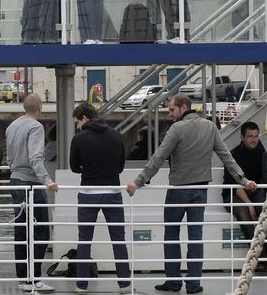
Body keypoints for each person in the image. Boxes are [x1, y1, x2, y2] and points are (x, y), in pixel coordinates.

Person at [126, 94, 257, 294]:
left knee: (171, 235)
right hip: (200, 191)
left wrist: (138, 181)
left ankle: (174, 281)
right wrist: (243, 179)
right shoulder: (210, 127)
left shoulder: (176, 129)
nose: (169, 114)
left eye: (171, 110)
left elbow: (159, 157)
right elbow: (226, 156)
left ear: (183, 107)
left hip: (178, 190)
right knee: (196, 237)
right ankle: (194, 284)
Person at [70, 102, 131, 294]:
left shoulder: (79, 139)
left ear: (85, 118)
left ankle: (81, 285)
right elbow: (120, 167)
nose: (77, 126)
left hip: (88, 194)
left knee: (84, 240)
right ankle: (125, 284)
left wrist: (88, 169)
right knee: (118, 239)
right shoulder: (116, 136)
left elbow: (74, 167)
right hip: (113, 192)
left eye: (77, 122)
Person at [5, 93, 58, 293]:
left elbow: (9, 157)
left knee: (22, 231)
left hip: (15, 180)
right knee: (42, 230)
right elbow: (36, 158)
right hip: (30, 184)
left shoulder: (12, 126)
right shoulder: (35, 127)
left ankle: (23, 278)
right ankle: (34, 279)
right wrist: (48, 181)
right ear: (40, 107)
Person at [223, 122, 267, 245]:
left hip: (254, 192)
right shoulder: (233, 155)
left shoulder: (261, 153)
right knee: (244, 214)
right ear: (242, 137)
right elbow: (235, 184)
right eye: (250, 136)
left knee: (264, 212)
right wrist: (249, 204)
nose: (254, 140)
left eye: (256, 136)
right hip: (233, 193)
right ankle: (257, 253)